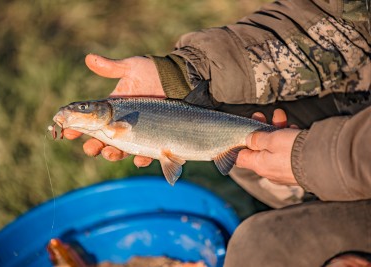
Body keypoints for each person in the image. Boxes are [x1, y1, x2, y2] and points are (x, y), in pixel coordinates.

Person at [63, 0, 371, 266]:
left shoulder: (115, 121)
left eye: (82, 108)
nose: (76, 112)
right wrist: (183, 73)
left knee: (255, 246)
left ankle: (323, 209)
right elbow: (337, 14)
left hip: (350, 154)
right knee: (233, 108)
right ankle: (320, 206)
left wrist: (306, 155)